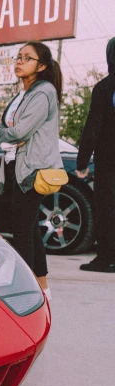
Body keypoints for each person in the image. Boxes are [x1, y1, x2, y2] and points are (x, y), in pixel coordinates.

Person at [0, 41, 64, 299]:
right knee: (30, 229)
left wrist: (3, 135)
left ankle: (25, 291)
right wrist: (3, 136)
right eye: (18, 56)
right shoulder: (24, 93)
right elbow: (4, 131)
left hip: (31, 170)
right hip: (16, 166)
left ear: (42, 65)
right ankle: (42, 287)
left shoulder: (43, 92)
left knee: (22, 230)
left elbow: (20, 131)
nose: (19, 61)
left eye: (27, 58)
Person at [75, 37, 115, 273]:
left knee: (107, 207)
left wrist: (82, 161)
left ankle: (107, 258)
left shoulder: (104, 87)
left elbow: (93, 126)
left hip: (109, 160)